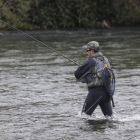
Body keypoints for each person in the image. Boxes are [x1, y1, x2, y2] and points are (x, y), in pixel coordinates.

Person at [75, 41, 113, 117]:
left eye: (87, 50)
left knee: (83, 116)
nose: (87, 53)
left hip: (96, 92)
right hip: (107, 93)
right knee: (110, 119)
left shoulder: (91, 61)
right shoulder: (106, 60)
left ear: (92, 51)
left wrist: (81, 67)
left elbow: (77, 74)